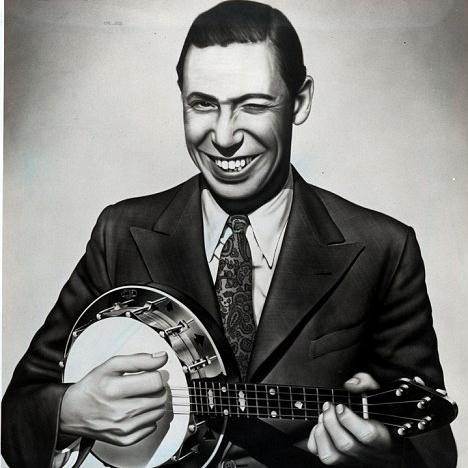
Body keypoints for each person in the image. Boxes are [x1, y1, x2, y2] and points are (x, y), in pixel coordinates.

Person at [2, 1, 457, 467]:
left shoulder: (382, 247)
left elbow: (435, 444)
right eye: (202, 104)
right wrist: (70, 411)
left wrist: (383, 457)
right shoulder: (120, 233)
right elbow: (16, 413)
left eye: (253, 106)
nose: (223, 136)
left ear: (299, 102)